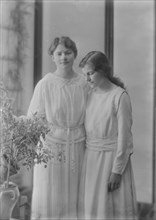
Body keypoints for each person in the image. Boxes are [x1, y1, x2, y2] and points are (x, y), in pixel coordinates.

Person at [27, 36, 89, 220]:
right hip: (51, 147)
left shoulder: (84, 83)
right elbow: (33, 118)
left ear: (75, 55)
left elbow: (93, 114)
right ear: (52, 57)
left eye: (68, 53)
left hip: (78, 145)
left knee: (74, 193)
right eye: (59, 53)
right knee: (51, 194)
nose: (64, 57)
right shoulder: (45, 84)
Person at [78, 51, 138, 220]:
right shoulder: (89, 94)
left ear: (103, 71)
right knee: (92, 208)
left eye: (90, 74)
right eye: (85, 75)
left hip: (111, 160)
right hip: (91, 160)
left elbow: (124, 138)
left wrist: (117, 171)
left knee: (110, 209)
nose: (87, 79)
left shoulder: (119, 96)